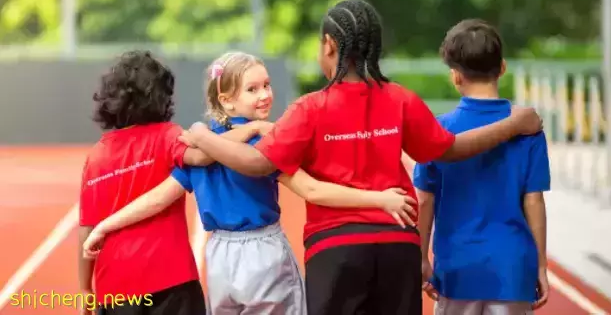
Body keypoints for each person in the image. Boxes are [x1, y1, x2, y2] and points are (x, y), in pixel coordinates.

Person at [175, 0, 543, 315]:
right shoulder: (400, 99)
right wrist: (513, 125)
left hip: (336, 251)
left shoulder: (310, 108)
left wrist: (204, 135)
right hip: (398, 246)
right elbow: (451, 149)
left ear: (329, 45)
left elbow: (256, 163)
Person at [82, 51, 417, 315]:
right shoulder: (262, 144)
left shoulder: (199, 147)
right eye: (253, 89)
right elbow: (312, 189)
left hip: (219, 259)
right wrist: (379, 198)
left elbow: (158, 198)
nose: (265, 95)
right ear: (227, 99)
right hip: (264, 252)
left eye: (267, 85)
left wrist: (103, 226)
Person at [79, 51, 263, 315]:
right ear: (161, 95)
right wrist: (251, 129)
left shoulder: (96, 155)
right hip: (171, 279)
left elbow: (86, 228)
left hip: (115, 286)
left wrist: (85, 288)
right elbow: (203, 155)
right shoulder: (168, 136)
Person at [413, 19, 550, 315]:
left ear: (455, 76)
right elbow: (534, 201)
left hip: (457, 266)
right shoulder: (529, 128)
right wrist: (540, 265)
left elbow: (424, 200)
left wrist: (422, 256)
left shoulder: (439, 129)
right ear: (502, 68)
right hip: (512, 268)